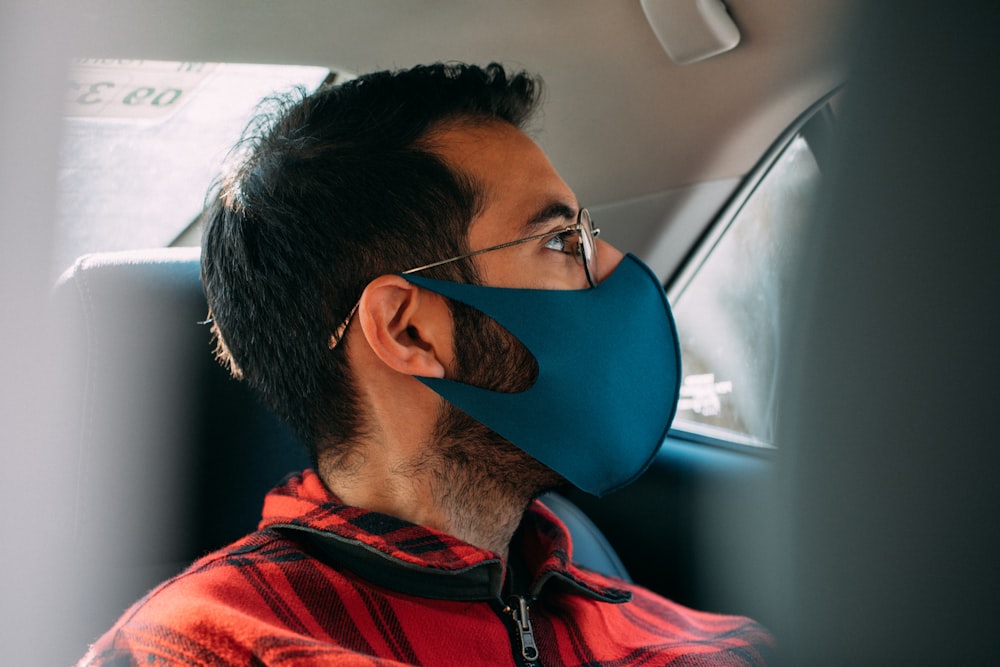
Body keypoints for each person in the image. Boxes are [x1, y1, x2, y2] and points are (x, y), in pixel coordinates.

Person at [79, 62, 773, 666]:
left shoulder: (707, 642)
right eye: (563, 241)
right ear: (409, 329)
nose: (615, 269)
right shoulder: (198, 650)